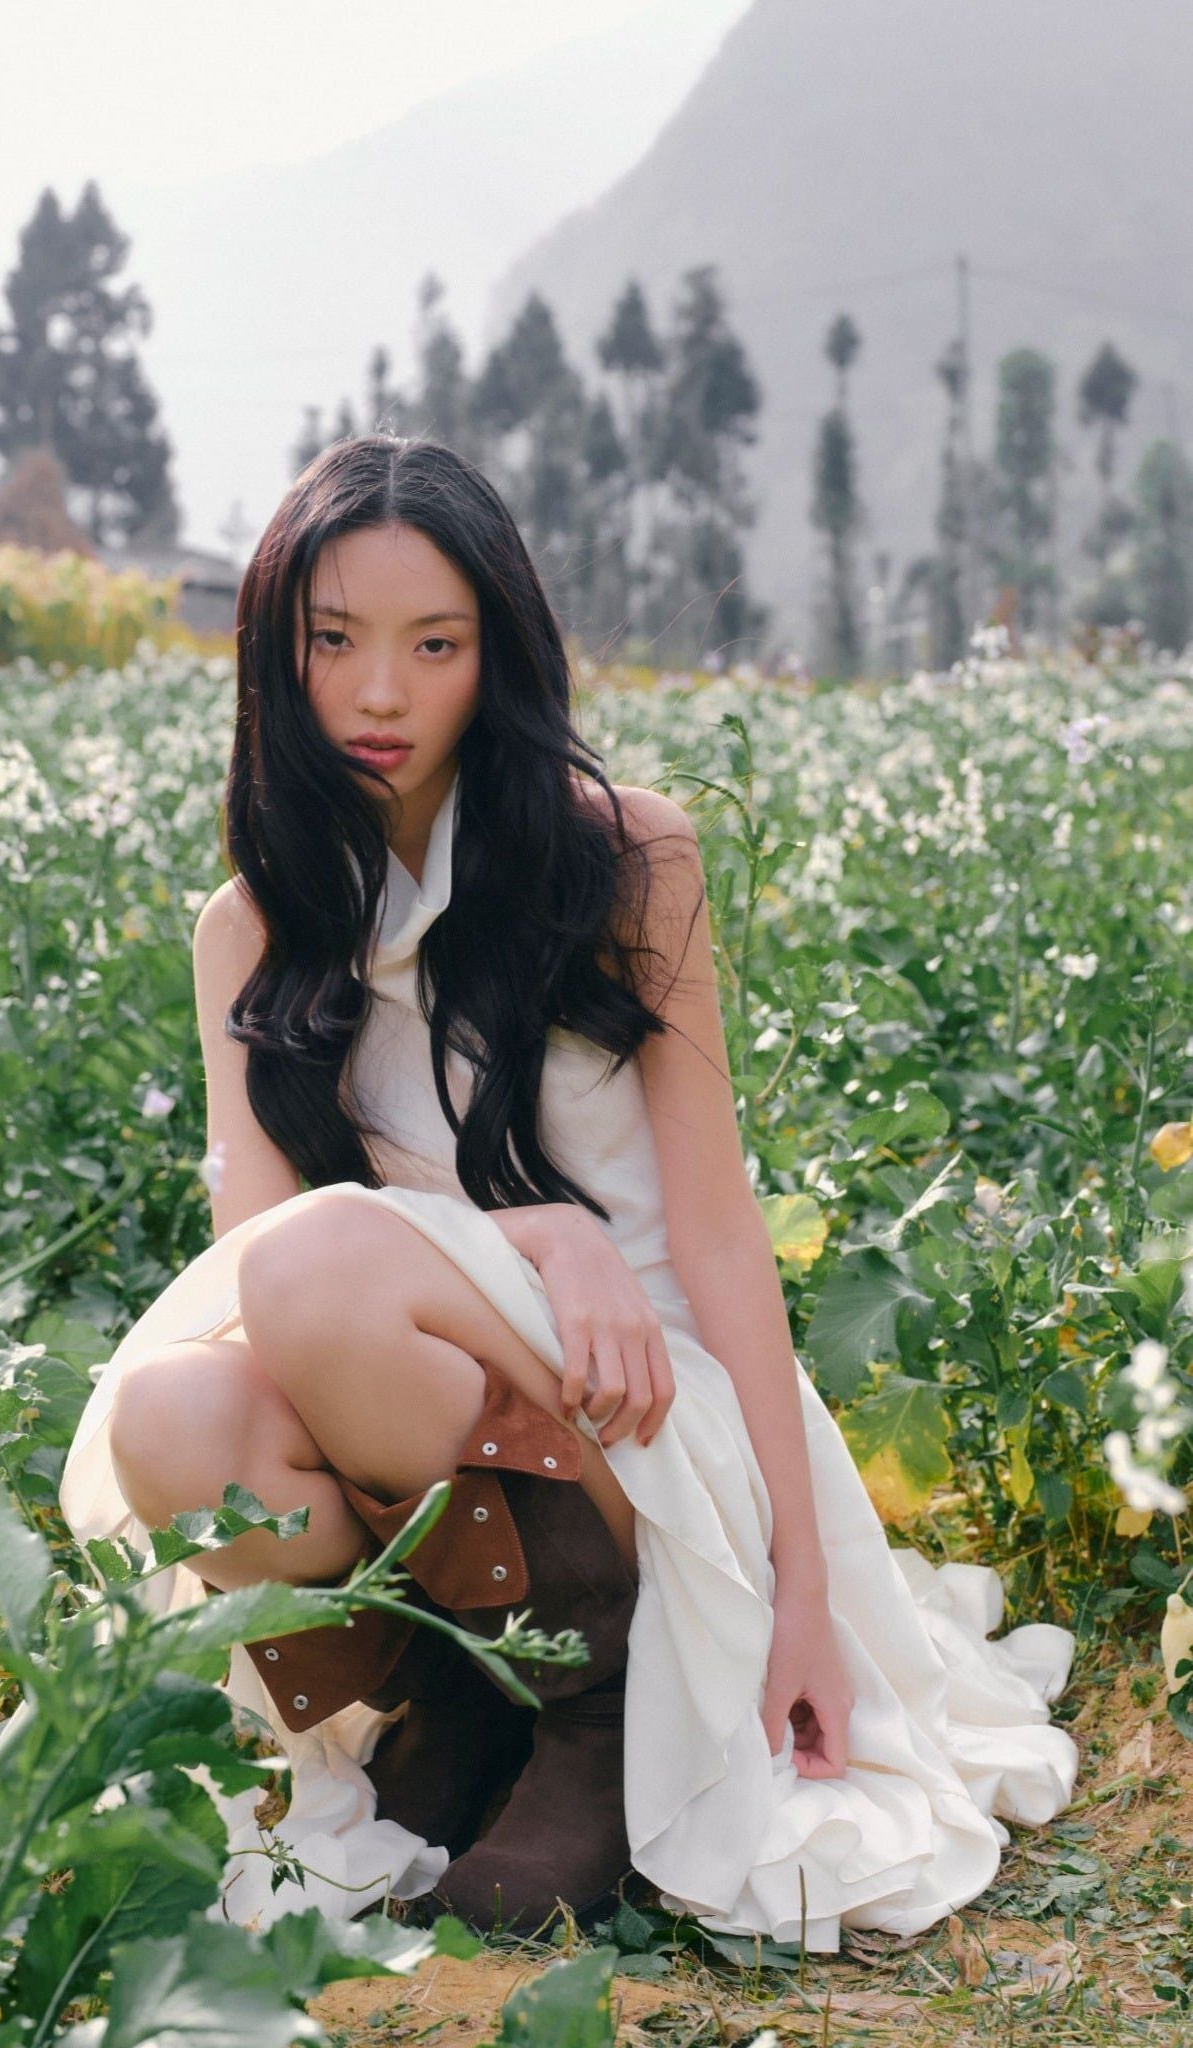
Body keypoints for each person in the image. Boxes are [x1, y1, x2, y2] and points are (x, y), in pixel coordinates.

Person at [59, 433, 1080, 1948]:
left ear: (500, 653)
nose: (381, 694)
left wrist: (805, 1589)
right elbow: (250, 1280)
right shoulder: (248, 927)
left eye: (434, 644)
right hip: (424, 1413)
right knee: (173, 1412)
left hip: (649, 1411)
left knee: (321, 1266)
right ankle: (442, 1703)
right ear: (275, 657)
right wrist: (528, 1234)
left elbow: (719, 1230)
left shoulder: (625, 861)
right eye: (332, 642)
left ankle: (592, 1708)